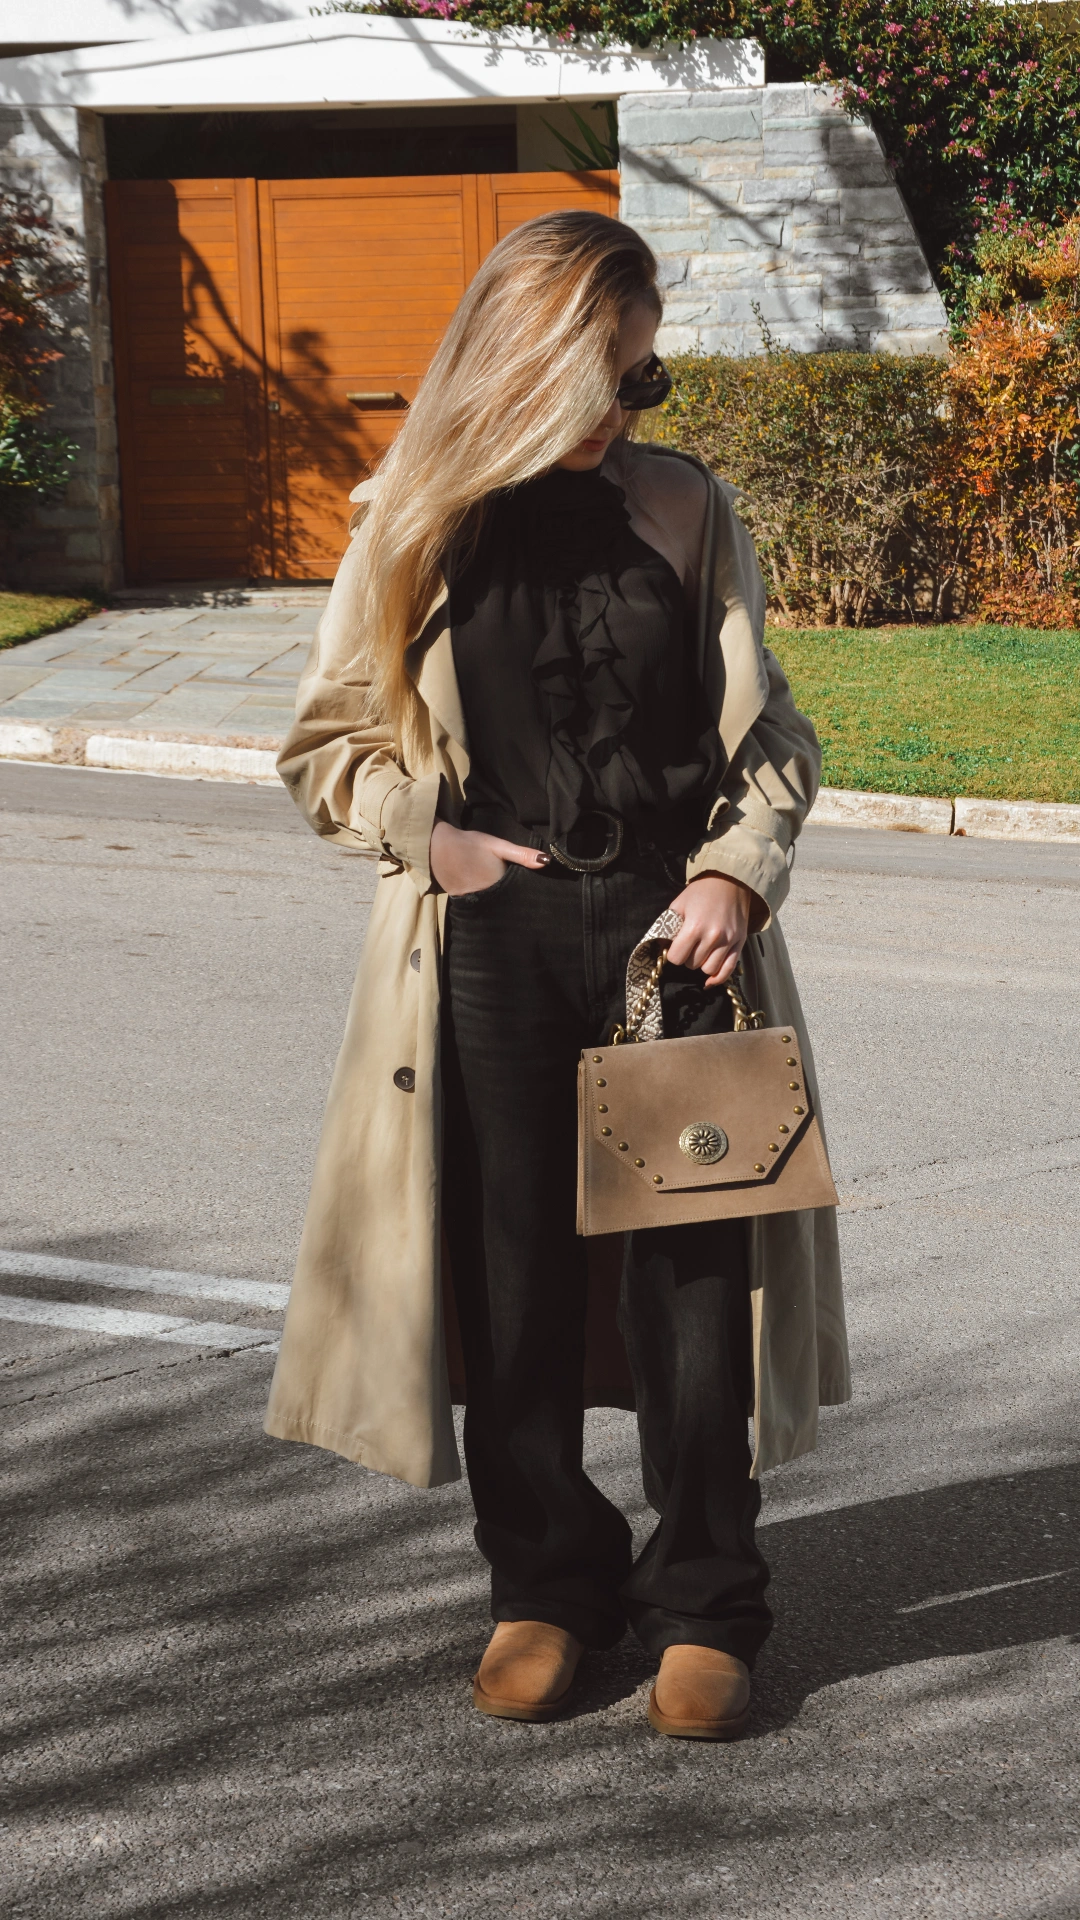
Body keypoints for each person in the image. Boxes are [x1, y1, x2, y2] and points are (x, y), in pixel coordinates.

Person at [265, 212, 849, 1741]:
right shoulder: (413, 521)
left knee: (695, 1297)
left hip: (675, 939)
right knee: (508, 1280)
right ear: (528, 364)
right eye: (615, 375)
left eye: (647, 375)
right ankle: (544, 1586)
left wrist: (734, 873)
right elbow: (325, 742)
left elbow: (773, 733)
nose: (633, 404)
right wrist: (433, 840)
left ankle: (707, 1601)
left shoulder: (684, 507)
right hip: (495, 942)